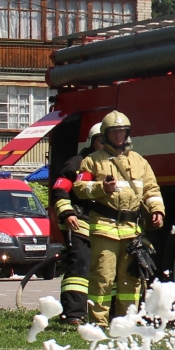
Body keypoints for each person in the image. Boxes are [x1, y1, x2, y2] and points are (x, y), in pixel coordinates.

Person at [70, 110, 166, 322]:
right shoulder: (92, 161)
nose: (119, 136)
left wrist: (157, 210)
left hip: (132, 231)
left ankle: (126, 321)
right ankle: (98, 323)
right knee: (102, 277)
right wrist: (101, 188)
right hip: (105, 228)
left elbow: (151, 189)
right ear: (105, 134)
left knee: (131, 280)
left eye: (122, 131)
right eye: (114, 132)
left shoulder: (140, 161)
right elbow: (79, 188)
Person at [46, 122, 102, 327]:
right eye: (101, 140)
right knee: (79, 266)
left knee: (103, 270)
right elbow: (60, 191)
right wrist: (68, 213)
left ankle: (103, 314)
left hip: (104, 227)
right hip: (79, 223)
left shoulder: (113, 164)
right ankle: (73, 315)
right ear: (92, 141)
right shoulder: (78, 164)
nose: (104, 145)